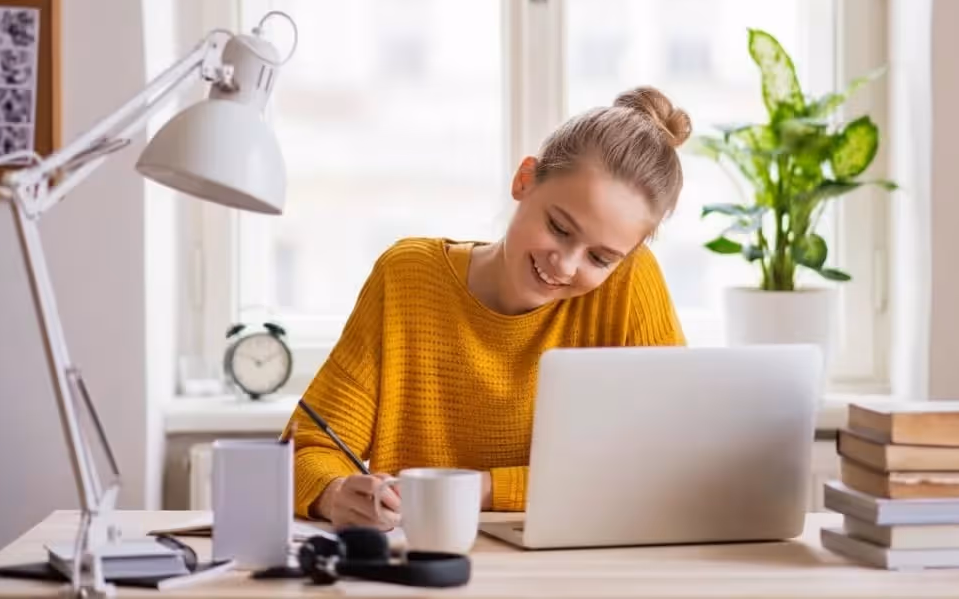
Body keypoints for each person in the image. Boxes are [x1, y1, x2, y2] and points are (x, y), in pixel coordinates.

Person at [282, 85, 692, 530]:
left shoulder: (630, 283)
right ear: (524, 180)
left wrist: (479, 489)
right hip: (420, 567)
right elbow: (305, 451)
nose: (566, 264)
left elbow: (662, 466)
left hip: (573, 572)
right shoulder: (407, 277)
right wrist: (334, 493)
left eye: (600, 258)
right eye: (558, 227)